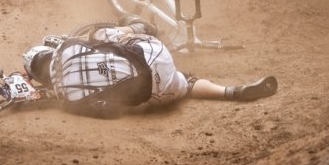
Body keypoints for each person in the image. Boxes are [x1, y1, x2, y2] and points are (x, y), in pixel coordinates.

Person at [22, 15, 278, 118]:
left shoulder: (68, 101)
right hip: (154, 51)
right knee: (112, 36)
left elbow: (111, 112)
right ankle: (140, 24)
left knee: (186, 83)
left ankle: (231, 92)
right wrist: (130, 32)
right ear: (47, 53)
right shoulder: (69, 46)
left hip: (155, 89)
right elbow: (104, 37)